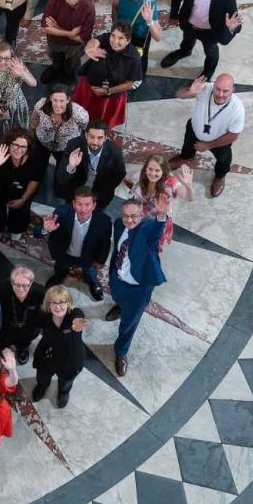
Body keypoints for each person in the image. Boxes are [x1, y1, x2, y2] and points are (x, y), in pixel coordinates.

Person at [104, 198, 167, 376]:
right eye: (126, 216)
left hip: (138, 288)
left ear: (142, 215)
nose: (129, 220)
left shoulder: (146, 229)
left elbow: (156, 230)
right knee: (117, 298)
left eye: (134, 216)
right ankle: (120, 306)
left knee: (129, 323)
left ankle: (121, 351)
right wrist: (112, 274)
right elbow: (118, 249)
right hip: (118, 279)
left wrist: (161, 216)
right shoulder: (118, 224)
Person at [163, 0, 244, 85]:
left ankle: (208, 71)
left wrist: (228, 27)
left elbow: (236, 25)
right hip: (188, 23)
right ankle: (184, 51)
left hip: (210, 32)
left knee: (211, 52)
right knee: (187, 39)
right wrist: (173, 15)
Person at [173, 73, 245, 197]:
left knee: (225, 159)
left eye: (225, 91)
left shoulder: (237, 109)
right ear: (213, 85)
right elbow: (179, 94)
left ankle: (219, 177)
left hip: (219, 139)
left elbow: (233, 136)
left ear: (233, 90)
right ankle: (185, 157)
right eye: (218, 89)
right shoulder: (205, 88)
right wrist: (190, 92)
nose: (220, 94)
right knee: (187, 145)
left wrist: (208, 145)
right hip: (194, 129)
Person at [42, 188, 111, 301]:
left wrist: (101, 260)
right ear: (74, 204)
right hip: (65, 253)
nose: (83, 209)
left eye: (87, 205)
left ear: (94, 205)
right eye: (79, 204)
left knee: (89, 272)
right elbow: (37, 232)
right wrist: (45, 229)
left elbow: (105, 244)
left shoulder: (104, 221)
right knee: (60, 268)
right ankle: (58, 277)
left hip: (88, 255)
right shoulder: (61, 212)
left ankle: (92, 282)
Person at [74, 22, 143, 129]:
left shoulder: (134, 58)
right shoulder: (107, 38)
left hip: (111, 96)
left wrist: (107, 91)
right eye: (113, 36)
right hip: (89, 88)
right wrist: (89, 49)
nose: (115, 41)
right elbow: (94, 41)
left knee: (101, 121)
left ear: (128, 41)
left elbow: (129, 84)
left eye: (121, 38)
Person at [29, 285, 88, 408]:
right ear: (48, 304)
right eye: (54, 302)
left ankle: (63, 392)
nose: (58, 306)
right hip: (47, 355)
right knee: (42, 376)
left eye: (62, 302)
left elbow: (78, 314)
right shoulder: (44, 317)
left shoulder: (74, 315)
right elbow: (32, 323)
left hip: (70, 359)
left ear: (68, 302)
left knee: (66, 382)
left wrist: (77, 322)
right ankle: (42, 386)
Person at [0, 130, 40, 242]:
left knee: (16, 232)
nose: (18, 149)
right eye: (15, 145)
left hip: (20, 192)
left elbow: (35, 180)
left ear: (28, 148)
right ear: (9, 143)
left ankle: (16, 227)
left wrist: (23, 199)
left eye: (23, 147)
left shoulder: (34, 158)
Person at [39, 0, 97, 86]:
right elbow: (45, 27)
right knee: (55, 57)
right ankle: (55, 67)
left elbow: (82, 39)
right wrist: (70, 33)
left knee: (72, 66)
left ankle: (69, 74)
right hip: (54, 40)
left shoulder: (88, 7)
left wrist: (57, 28)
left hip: (74, 45)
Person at [57, 120, 127, 208]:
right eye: (91, 137)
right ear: (86, 135)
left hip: (100, 194)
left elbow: (120, 173)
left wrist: (105, 191)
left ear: (105, 138)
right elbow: (61, 175)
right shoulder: (74, 145)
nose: (95, 142)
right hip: (75, 191)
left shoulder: (115, 152)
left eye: (100, 138)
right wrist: (71, 166)